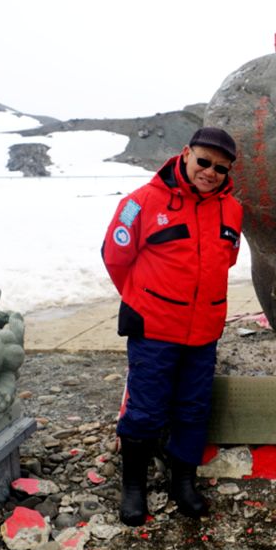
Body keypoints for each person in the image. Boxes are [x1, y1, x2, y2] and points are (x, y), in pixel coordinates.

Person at [101, 127, 243, 525]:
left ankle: (183, 480)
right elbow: (115, 256)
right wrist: (143, 300)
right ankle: (134, 486)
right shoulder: (141, 203)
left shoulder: (232, 209)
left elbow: (225, 259)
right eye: (203, 161)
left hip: (204, 331)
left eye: (220, 167)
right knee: (145, 410)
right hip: (155, 329)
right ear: (185, 154)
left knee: (194, 409)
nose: (210, 172)